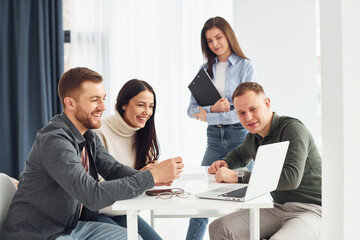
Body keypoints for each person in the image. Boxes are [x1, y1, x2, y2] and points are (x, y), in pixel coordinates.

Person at [0, 67, 184, 240]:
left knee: (133, 237)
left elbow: (113, 170)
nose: (103, 107)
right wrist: (151, 177)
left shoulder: (88, 136)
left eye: (103, 98)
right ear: (70, 103)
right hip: (40, 233)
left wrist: (152, 177)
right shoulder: (54, 140)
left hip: (72, 227)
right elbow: (91, 195)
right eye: (94, 100)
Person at [208, 82, 322, 240]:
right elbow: (240, 155)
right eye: (241, 113)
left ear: (267, 103)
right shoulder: (255, 136)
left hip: (312, 210)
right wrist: (225, 162)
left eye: (253, 109)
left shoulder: (292, 129)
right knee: (219, 228)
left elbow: (291, 178)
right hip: (277, 207)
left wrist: (238, 176)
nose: (248, 117)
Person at [186, 16, 256, 240]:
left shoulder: (246, 66)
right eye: (209, 41)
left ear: (228, 36)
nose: (215, 44)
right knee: (202, 196)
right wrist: (213, 109)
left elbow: (247, 111)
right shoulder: (205, 69)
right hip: (214, 138)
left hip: (241, 136)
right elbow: (191, 110)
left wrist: (212, 114)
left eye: (219, 37)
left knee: (250, 193)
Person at [93, 79, 167, 240]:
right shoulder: (99, 133)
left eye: (151, 106)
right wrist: (142, 176)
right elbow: (96, 188)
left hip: (124, 210)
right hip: (98, 212)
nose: (147, 112)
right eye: (141, 105)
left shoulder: (142, 135)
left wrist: (156, 178)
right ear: (124, 104)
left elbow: (143, 182)